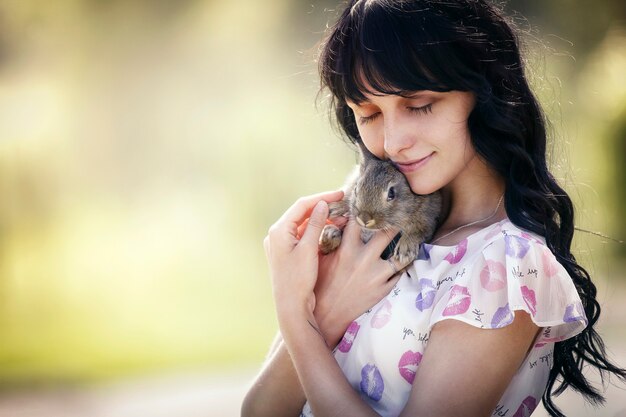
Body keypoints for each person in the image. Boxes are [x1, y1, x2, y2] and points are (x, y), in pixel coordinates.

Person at [241, 1, 626, 416]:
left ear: (483, 90)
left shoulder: (503, 265)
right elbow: (260, 411)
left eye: (419, 105)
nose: (392, 142)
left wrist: (296, 315)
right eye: (368, 114)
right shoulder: (371, 230)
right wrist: (326, 315)